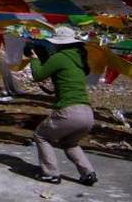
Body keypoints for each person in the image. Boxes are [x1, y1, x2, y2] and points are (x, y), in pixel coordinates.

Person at [25, 26, 97, 185]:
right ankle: (88, 172)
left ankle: (51, 173)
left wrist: (34, 57)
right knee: (69, 143)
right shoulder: (78, 60)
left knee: (41, 136)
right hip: (87, 113)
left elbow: (38, 75)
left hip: (69, 110)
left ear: (58, 43)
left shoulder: (60, 57)